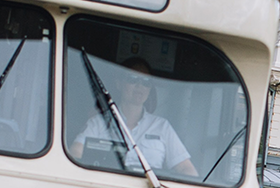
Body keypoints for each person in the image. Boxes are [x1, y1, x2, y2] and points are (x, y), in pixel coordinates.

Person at [67, 58, 197, 177]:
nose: (140, 86)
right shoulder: (98, 122)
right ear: (119, 84)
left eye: (146, 82)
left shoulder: (162, 126)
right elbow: (75, 154)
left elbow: (187, 169)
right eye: (133, 79)